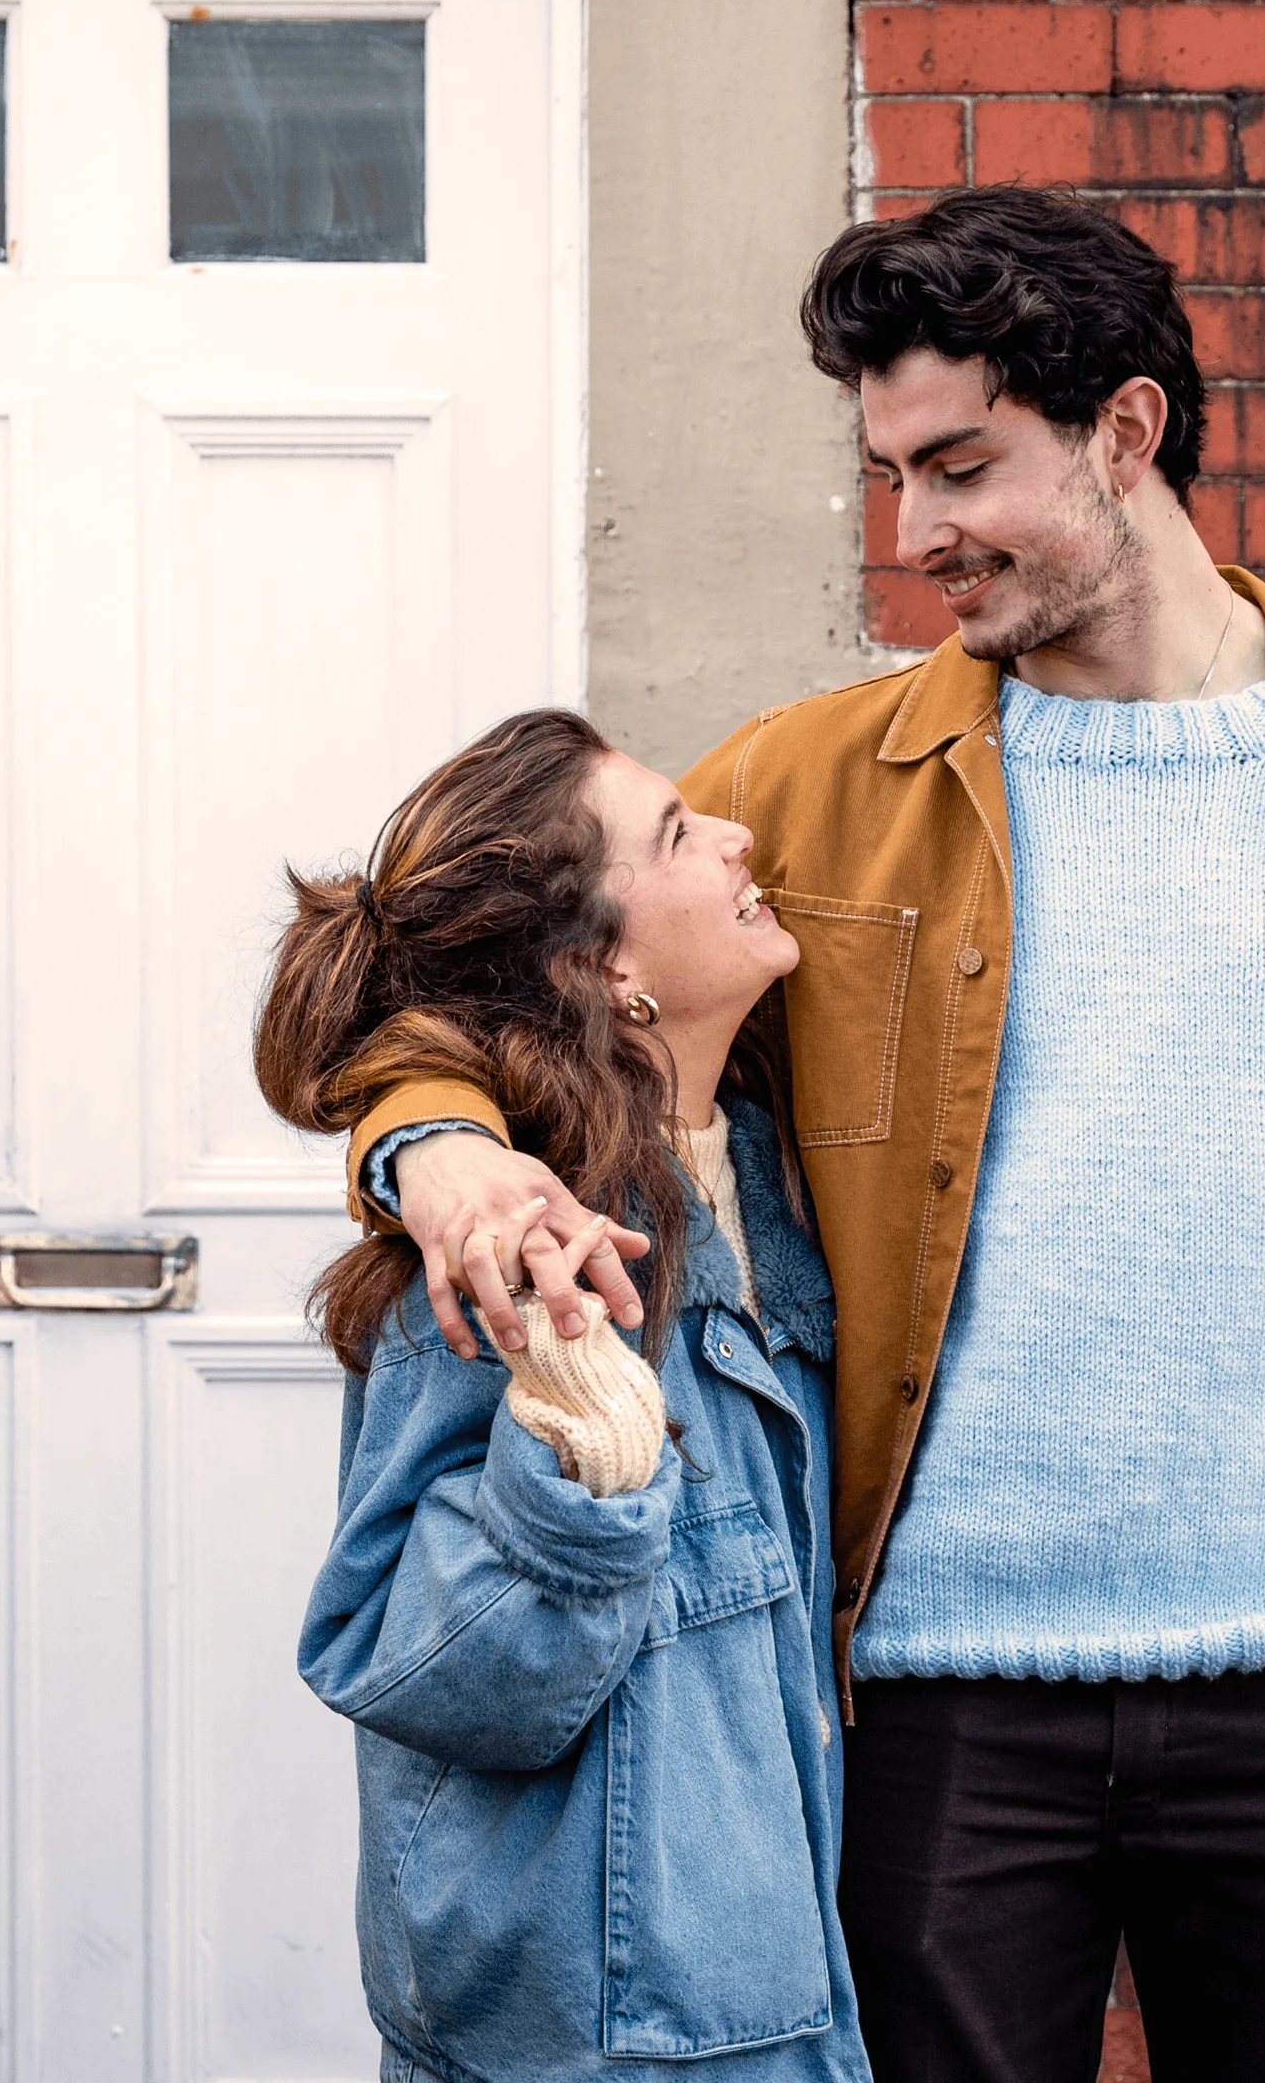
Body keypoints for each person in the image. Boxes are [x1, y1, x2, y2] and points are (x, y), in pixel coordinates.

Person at [337, 186, 1265, 2083]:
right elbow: (468, 992)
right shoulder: (808, 792)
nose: (916, 536)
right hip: (926, 1721)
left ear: (1126, 435)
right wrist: (438, 1151)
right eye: (892, 475)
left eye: (961, 467)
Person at [256, 709, 869, 2083]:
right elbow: (420, 1666)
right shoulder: (504, 1265)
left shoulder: (770, 1179)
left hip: (776, 1991)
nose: (738, 836)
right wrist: (586, 1467)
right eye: (676, 834)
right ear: (608, 968)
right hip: (595, 2034)